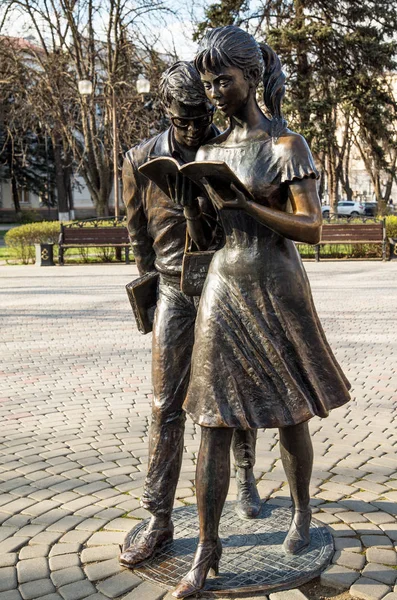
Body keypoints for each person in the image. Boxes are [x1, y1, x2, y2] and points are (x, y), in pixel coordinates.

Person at [172, 27, 351, 598]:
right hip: (225, 285)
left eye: (223, 79)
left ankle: (300, 510)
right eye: (208, 82)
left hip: (276, 283)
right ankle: (206, 546)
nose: (215, 91)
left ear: (251, 76)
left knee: (291, 410)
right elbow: (206, 235)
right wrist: (193, 204)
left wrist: (248, 203)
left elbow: (314, 228)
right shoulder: (206, 152)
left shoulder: (285, 145)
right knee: (212, 420)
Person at [119, 61, 260, 569]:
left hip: (224, 288)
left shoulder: (226, 149)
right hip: (175, 295)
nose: (196, 128)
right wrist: (149, 293)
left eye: (202, 117)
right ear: (166, 110)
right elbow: (137, 235)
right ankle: (158, 517)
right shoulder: (139, 159)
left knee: (232, 396)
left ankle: (244, 474)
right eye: (184, 120)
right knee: (164, 404)